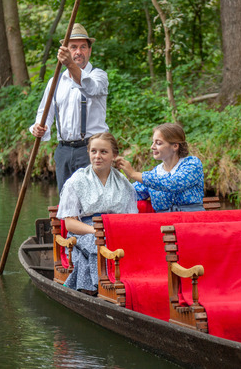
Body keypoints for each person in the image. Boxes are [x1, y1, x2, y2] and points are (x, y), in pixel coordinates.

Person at [30, 23, 109, 199]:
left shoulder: (99, 76)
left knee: (93, 201)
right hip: (64, 151)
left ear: (89, 50)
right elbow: (44, 113)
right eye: (73, 47)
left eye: (83, 47)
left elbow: (90, 88)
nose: (78, 52)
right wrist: (39, 127)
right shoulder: (55, 81)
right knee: (67, 202)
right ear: (66, 50)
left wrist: (70, 64)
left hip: (92, 150)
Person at [56, 132, 138, 295]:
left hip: (116, 231)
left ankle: (129, 286)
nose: (97, 156)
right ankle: (101, 287)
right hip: (84, 233)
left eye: (103, 152)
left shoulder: (123, 184)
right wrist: (96, 231)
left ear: (114, 155)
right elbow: (70, 223)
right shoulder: (76, 181)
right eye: (93, 151)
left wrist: (113, 232)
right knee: (98, 244)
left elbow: (131, 220)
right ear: (88, 152)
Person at [117, 123, 205, 213]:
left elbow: (173, 183)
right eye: (153, 142)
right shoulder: (155, 173)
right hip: (163, 221)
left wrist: (133, 174)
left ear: (175, 146)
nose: (152, 147)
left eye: (158, 143)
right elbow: (130, 193)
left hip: (192, 219)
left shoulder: (192, 164)